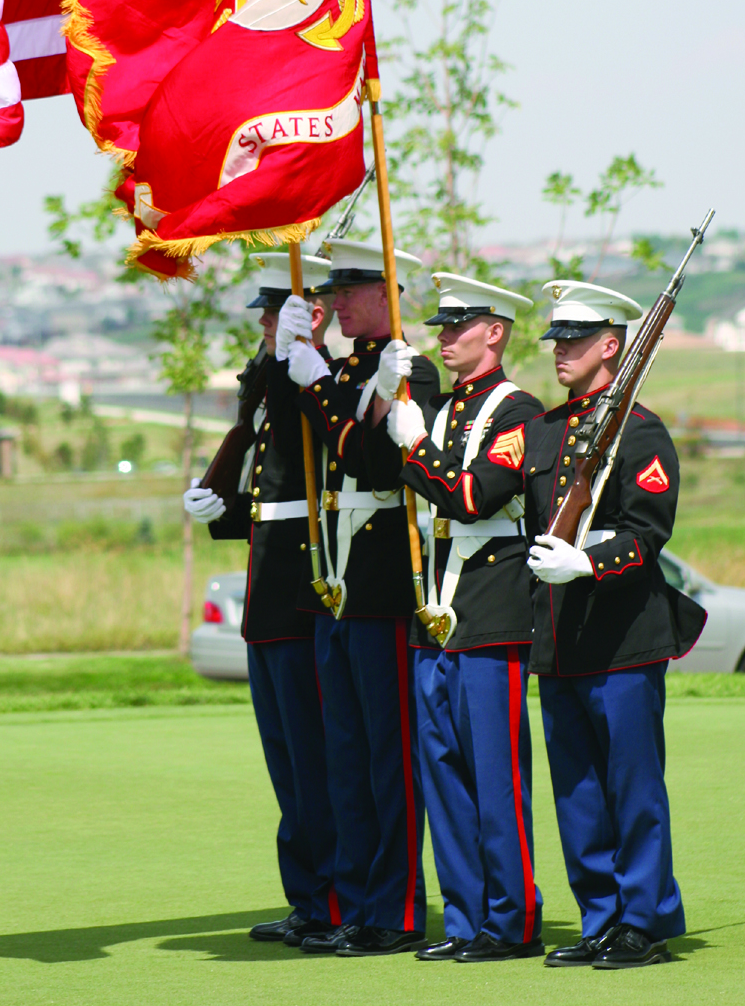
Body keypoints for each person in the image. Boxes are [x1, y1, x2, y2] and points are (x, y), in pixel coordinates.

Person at [524, 280, 707, 969]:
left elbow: (647, 530)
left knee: (631, 788)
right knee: (577, 793)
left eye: (573, 340)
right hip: (561, 640)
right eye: (555, 340)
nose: (559, 351)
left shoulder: (641, 430)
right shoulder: (545, 428)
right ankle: (601, 917)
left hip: (622, 641)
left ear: (611, 345)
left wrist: (586, 560)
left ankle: (646, 921)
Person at [275, 238, 441, 957]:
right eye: (333, 290)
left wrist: (340, 386)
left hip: (380, 589)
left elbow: (365, 455)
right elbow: (288, 433)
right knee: (345, 757)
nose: (334, 302)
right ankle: (352, 900)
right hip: (336, 584)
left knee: (387, 761)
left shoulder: (413, 370)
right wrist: (288, 361)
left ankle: (396, 910)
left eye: (349, 290)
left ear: (387, 294)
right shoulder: (346, 368)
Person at [382, 272, 546, 963]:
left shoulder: (519, 411)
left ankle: (511, 922)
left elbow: (475, 495)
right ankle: (466, 918)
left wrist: (413, 446)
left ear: (495, 332)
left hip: (491, 613)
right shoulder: (442, 409)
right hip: (436, 614)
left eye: (459, 327)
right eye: (441, 327)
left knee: (495, 778)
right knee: (443, 775)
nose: (445, 338)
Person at [183, 249, 339, 947]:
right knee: (286, 760)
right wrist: (219, 501)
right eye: (270, 313)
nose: (270, 323)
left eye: (281, 310)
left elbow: (326, 467)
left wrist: (303, 358)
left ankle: (336, 896)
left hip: (308, 591)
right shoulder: (272, 380)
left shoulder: (318, 382)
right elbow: (263, 481)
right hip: (269, 597)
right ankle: (306, 897)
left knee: (317, 759)